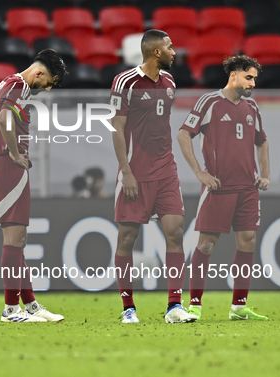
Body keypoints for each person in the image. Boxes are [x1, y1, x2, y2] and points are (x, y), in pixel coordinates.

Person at [110, 29, 197, 324]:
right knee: (127, 239)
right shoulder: (125, 82)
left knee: (174, 233)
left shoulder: (170, 81)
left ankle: (174, 306)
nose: (175, 52)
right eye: (170, 47)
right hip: (135, 173)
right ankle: (128, 308)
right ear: (156, 52)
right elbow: (117, 130)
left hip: (166, 171)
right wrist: (126, 172)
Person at [177, 55, 270, 321]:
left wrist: (265, 174)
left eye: (254, 78)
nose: (253, 83)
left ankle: (239, 307)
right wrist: (199, 172)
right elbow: (184, 134)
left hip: (248, 188)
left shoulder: (252, 107)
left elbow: (262, 142)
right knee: (205, 246)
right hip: (219, 188)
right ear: (234, 75)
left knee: (248, 242)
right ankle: (194, 304)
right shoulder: (210, 102)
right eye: (249, 77)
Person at [0, 49, 67, 322]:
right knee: (14, 240)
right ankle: (10, 309)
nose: (49, 89)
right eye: (50, 82)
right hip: (9, 165)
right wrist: (12, 153)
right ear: (39, 72)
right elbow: (2, 117)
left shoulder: (6, 83)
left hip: (1, 163)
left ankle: (29, 304)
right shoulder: (19, 86)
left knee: (19, 241)